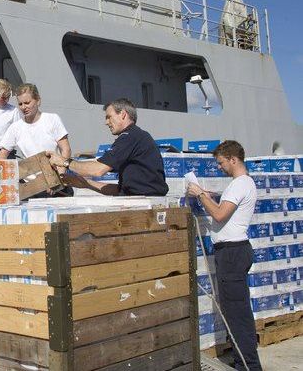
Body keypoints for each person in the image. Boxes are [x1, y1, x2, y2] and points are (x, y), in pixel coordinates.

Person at [186, 141, 262, 371]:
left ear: (232, 159)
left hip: (232, 253)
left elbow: (219, 215)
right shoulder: (240, 184)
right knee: (236, 310)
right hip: (233, 252)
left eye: (220, 163)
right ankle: (245, 362)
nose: (219, 167)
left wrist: (199, 194)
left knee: (237, 314)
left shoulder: (240, 183)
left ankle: (248, 366)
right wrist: (211, 195)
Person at [48, 98, 168, 196]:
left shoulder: (130, 137)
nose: (106, 122)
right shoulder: (137, 137)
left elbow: (97, 170)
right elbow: (121, 191)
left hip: (146, 206)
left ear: (123, 114)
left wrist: (64, 161)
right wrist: (85, 183)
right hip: (143, 200)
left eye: (109, 117)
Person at [0, 83, 71, 162]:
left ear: (38, 101)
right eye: (20, 104)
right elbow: (2, 154)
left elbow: (66, 150)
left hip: (53, 171)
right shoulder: (15, 127)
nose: (23, 107)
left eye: (27, 103)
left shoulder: (52, 119)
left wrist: (62, 171)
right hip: (29, 172)